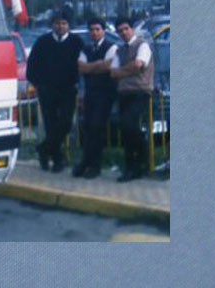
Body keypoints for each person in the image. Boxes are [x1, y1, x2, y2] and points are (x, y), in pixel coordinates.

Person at [26, 10, 84, 172]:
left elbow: (82, 64)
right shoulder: (42, 42)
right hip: (47, 90)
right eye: (58, 23)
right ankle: (57, 160)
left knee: (66, 123)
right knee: (51, 124)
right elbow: (31, 67)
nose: (60, 26)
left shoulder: (76, 42)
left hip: (68, 90)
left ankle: (44, 149)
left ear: (69, 26)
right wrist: (39, 84)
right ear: (52, 24)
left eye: (64, 23)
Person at [111, 17, 155, 182]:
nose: (123, 32)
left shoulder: (143, 45)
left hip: (140, 91)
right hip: (123, 93)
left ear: (132, 29)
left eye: (126, 29)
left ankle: (140, 161)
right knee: (125, 129)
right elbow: (113, 72)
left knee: (130, 125)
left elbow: (139, 65)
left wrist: (123, 71)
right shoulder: (120, 50)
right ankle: (132, 166)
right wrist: (128, 70)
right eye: (120, 30)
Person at [73, 17, 118, 179]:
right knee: (87, 128)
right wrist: (98, 65)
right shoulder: (86, 48)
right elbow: (81, 68)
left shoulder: (111, 47)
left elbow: (109, 66)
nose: (94, 32)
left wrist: (92, 67)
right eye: (91, 30)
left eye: (98, 29)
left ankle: (94, 165)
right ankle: (86, 161)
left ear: (104, 31)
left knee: (97, 128)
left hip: (105, 94)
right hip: (90, 94)